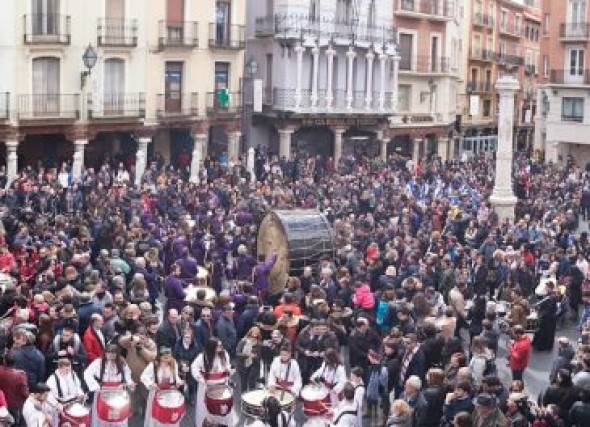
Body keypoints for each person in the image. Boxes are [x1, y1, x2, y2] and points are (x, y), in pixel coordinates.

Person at [83, 344, 135, 427]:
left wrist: (130, 383)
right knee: (102, 416)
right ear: (105, 353)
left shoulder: (122, 363)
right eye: (109, 353)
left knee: (118, 416)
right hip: (103, 392)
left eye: (113, 353)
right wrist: (95, 386)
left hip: (118, 393)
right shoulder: (98, 362)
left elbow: (127, 375)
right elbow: (87, 373)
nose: (110, 355)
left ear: (117, 354)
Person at [190, 337, 235, 427]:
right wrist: (200, 379)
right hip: (207, 387)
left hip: (222, 386)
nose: (221, 348)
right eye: (218, 346)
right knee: (206, 408)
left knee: (223, 407)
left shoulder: (224, 354)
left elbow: (227, 366)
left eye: (221, 346)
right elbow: (194, 367)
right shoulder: (202, 357)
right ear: (211, 347)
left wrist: (229, 371)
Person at [140, 347, 184, 427]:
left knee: (171, 413)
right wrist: (151, 383)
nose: (167, 360)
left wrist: (179, 382)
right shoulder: (153, 365)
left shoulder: (174, 363)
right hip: (157, 392)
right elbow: (144, 376)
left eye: (169, 357)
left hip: (171, 392)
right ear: (160, 357)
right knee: (158, 414)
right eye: (165, 358)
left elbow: (176, 376)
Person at [236, 326, 262, 392]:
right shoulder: (243, 341)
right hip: (242, 365)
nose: (255, 333)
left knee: (252, 383)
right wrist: (247, 355)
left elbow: (259, 356)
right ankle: (243, 398)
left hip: (253, 365)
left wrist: (254, 356)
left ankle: (251, 397)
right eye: (254, 331)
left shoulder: (258, 343)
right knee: (243, 384)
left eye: (257, 332)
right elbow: (238, 353)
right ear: (250, 332)